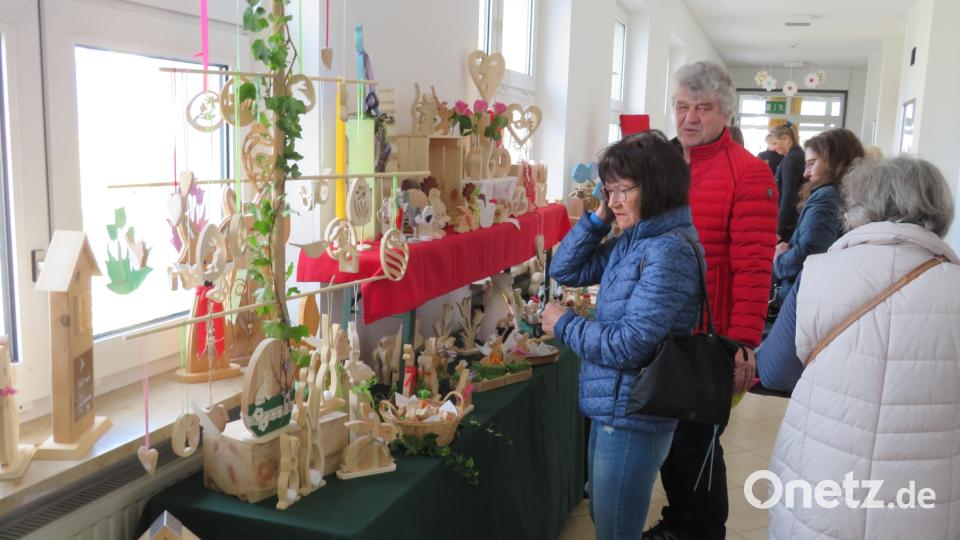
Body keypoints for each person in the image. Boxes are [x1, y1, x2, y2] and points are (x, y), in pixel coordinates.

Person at [768, 156, 960, 538]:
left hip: (822, 481)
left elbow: (774, 371)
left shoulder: (819, 274)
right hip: (927, 498)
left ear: (860, 204)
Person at [541, 130, 702, 540]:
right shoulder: (635, 240)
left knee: (615, 530)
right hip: (612, 406)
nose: (612, 201)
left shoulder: (667, 250)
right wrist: (598, 218)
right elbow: (566, 269)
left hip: (635, 414)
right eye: (607, 191)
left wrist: (564, 324)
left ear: (657, 188)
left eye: (621, 191)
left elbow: (632, 345)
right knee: (606, 518)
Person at [645, 61, 778, 540]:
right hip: (656, 326)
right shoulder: (659, 164)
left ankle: (699, 529)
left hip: (708, 336)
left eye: (702, 108)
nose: (689, 118)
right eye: (682, 106)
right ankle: (679, 521)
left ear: (725, 112)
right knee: (668, 437)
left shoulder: (750, 173)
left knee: (696, 440)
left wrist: (742, 343)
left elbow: (753, 268)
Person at [772, 128, 864, 302]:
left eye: (812, 163)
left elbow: (809, 252)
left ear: (834, 161)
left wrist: (780, 259)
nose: (806, 173)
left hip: (805, 292)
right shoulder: (851, 193)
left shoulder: (826, 196)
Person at [771, 123, 805, 241]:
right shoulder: (796, 154)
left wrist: (779, 227)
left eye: (775, 143)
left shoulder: (791, 160)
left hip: (790, 222)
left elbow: (788, 195)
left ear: (785, 139)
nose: (774, 148)